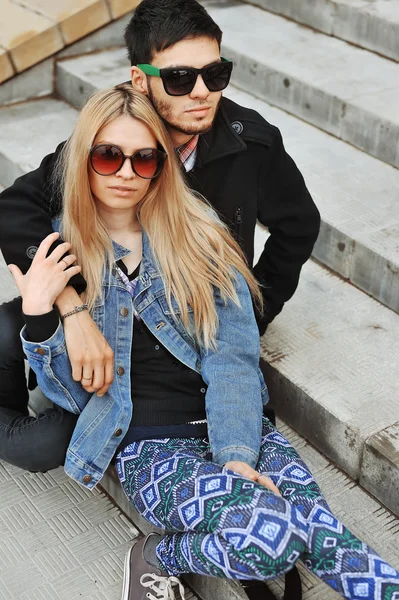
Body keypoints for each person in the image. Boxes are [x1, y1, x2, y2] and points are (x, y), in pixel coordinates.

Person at [9, 84, 399, 600]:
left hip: (231, 424)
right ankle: (156, 554)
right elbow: (72, 396)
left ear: (161, 165)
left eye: (144, 159)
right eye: (108, 156)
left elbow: (233, 358)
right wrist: (40, 318)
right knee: (277, 539)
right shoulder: (60, 251)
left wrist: (235, 453)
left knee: (328, 539)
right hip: (148, 447)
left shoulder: (200, 235)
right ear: (83, 159)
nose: (126, 172)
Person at [0, 0, 320, 473]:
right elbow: (16, 207)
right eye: (179, 78)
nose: (200, 92)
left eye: (215, 75)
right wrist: (72, 307)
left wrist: (253, 312)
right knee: (10, 331)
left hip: (189, 313)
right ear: (139, 80)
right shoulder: (112, 135)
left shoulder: (251, 144)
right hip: (108, 301)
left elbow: (299, 227)